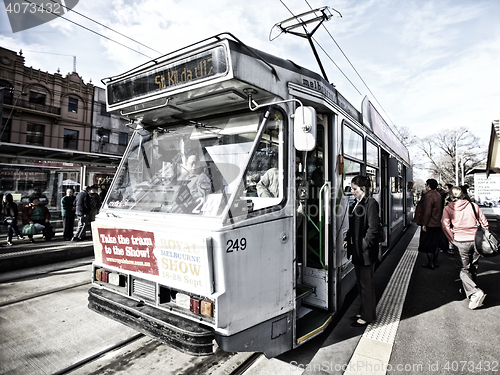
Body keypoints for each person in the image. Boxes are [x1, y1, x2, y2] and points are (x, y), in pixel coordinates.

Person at [441, 186, 488, 310]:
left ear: (450, 196)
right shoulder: (473, 206)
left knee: (462, 268)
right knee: (473, 266)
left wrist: (452, 239)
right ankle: (467, 288)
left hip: (460, 241)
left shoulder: (448, 208)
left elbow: (445, 226)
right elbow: (484, 222)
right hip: (476, 240)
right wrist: (483, 235)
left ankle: (474, 292)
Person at [343, 175, 381, 328]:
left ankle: (368, 316)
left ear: (363, 189)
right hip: (357, 251)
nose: (352, 192)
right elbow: (353, 227)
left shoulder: (371, 203)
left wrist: (364, 245)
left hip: (365, 252)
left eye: (354, 189)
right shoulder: (356, 203)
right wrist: (347, 238)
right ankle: (363, 310)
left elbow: (373, 228)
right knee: (360, 283)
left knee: (366, 284)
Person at [413, 178, 443, 269]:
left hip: (430, 224)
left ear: (429, 185)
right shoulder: (438, 195)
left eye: (426, 184)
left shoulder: (428, 196)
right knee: (435, 243)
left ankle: (431, 263)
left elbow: (427, 212)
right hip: (437, 223)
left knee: (428, 244)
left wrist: (424, 224)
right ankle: (435, 261)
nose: (425, 186)